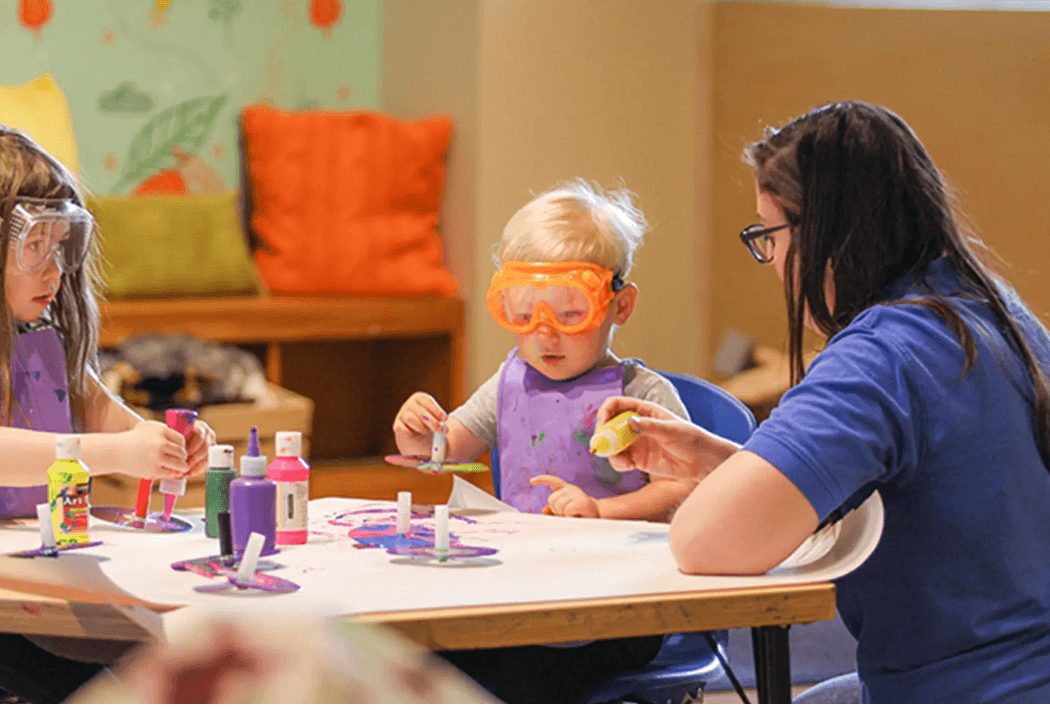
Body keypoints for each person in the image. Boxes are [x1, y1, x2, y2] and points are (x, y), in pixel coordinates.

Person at [598, 101, 1050, 703]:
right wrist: (723, 466)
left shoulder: (883, 352)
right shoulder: (996, 313)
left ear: (825, 233)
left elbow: (702, 542)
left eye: (769, 236)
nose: (773, 261)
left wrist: (711, 493)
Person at [392, 178, 693, 702]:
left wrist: (601, 514)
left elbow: (685, 490)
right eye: (523, 314)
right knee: (420, 657)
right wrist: (418, 433)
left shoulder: (641, 394)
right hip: (522, 595)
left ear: (619, 306)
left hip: (616, 608)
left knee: (521, 682)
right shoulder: (511, 380)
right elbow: (448, 447)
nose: (543, 335)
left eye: (570, 314)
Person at [0, 126, 216, 702]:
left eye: (61, 247)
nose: (55, 271)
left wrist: (162, 441)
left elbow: (102, 412)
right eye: (34, 248)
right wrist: (117, 455)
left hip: (46, 578)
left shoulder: (42, 339)